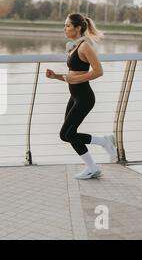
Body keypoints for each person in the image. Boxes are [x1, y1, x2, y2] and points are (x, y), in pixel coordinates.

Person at [46, 13, 117, 180]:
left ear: (78, 28)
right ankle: (92, 167)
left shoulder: (85, 46)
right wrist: (56, 76)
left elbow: (98, 71)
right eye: (65, 26)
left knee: (68, 134)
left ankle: (105, 142)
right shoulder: (73, 47)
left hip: (85, 97)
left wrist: (75, 79)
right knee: (66, 135)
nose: (65, 29)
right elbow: (73, 74)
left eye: (68, 26)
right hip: (75, 96)